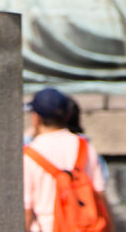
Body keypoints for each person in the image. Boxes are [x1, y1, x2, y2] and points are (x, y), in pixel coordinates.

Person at [23, 88, 110, 232]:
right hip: (84, 227)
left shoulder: (29, 154)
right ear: (67, 115)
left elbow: (27, 208)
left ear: (35, 118)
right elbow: (100, 194)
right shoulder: (84, 146)